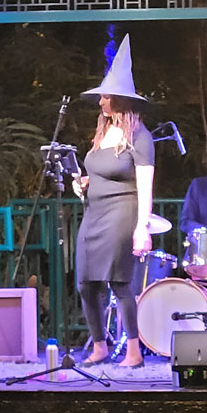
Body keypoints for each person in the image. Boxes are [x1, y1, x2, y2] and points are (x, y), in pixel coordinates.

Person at [74, 35, 154, 369]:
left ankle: (133, 351)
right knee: (85, 282)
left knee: (120, 283)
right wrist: (83, 184)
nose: (101, 102)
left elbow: (146, 185)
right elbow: (99, 172)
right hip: (93, 214)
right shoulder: (101, 134)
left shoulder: (140, 136)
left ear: (121, 100)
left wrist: (142, 228)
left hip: (123, 214)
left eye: (106, 97)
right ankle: (100, 345)